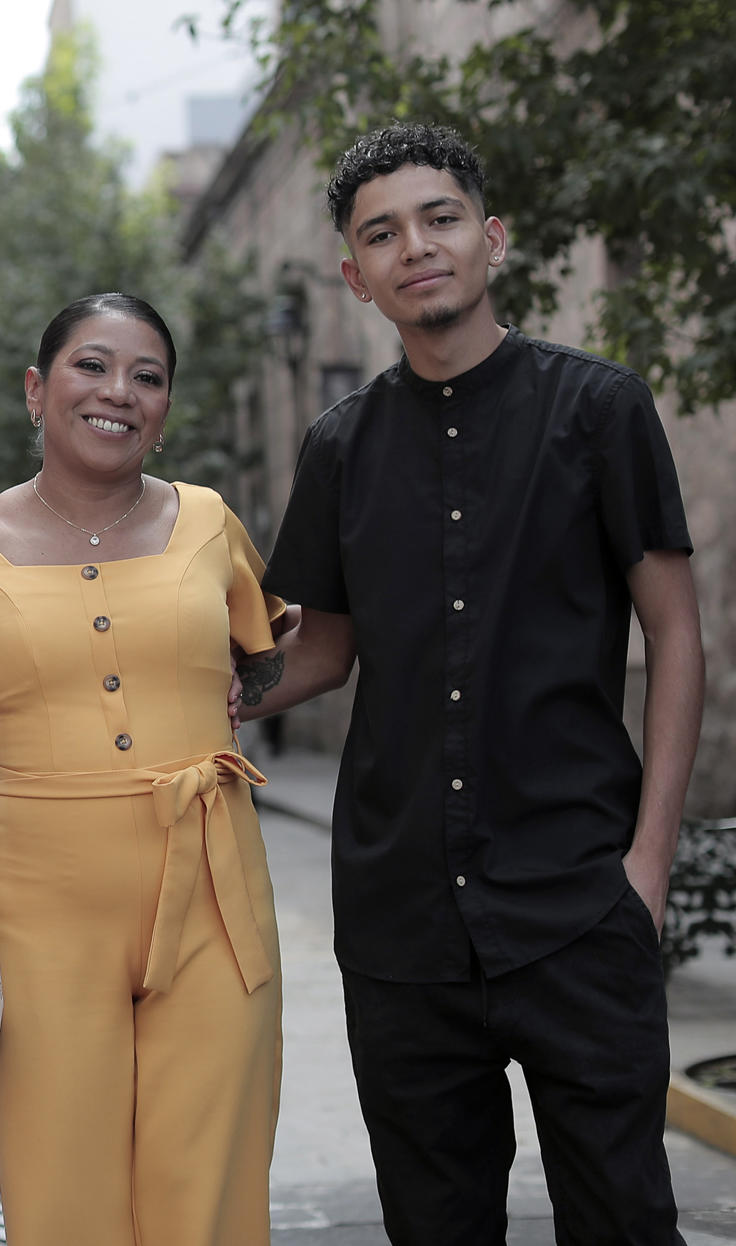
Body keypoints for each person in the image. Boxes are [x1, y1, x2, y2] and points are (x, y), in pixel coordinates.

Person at [239, 123, 703, 1244]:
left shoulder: (599, 410)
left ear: (491, 237)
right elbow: (327, 649)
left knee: (626, 1216)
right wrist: (167, 688)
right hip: (401, 925)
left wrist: (646, 865)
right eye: (383, 234)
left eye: (439, 218)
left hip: (576, 898)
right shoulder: (339, 447)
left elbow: (679, 636)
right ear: (357, 275)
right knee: (435, 1224)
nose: (417, 247)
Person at [0, 293, 287, 1244]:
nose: (119, 391)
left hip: (213, 882)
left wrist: (250, 690)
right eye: (91, 366)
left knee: (211, 1177)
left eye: (147, 377)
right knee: (61, 1182)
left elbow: (277, 653)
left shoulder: (209, 522)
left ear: (163, 410)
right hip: (43, 907)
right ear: (36, 390)